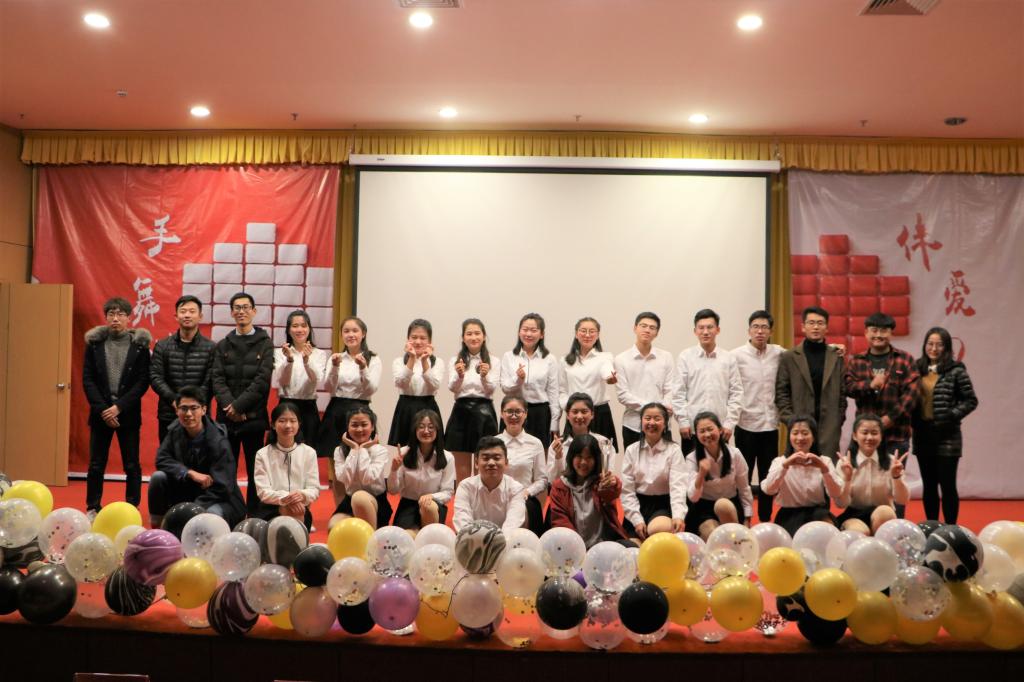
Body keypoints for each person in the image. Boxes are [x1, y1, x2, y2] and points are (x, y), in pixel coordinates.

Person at [844, 312, 919, 518]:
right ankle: (863, 523)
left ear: (891, 333)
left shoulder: (905, 360)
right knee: (864, 485)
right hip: (865, 439)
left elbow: (911, 396)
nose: (879, 335)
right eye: (874, 330)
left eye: (884, 330)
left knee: (895, 483)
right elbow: (848, 387)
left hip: (896, 435)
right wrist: (870, 385)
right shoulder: (857, 360)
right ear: (866, 333)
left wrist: (888, 419)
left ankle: (896, 527)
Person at [82, 297, 151, 516]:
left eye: (120, 314)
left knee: (131, 464)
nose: (115, 318)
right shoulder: (94, 345)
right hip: (100, 414)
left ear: (129, 318)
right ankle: (93, 507)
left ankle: (132, 506)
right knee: (96, 464)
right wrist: (104, 409)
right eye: (111, 314)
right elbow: (88, 379)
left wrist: (119, 407)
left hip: (127, 414)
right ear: (106, 317)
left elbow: (142, 381)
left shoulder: (139, 347)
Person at [148, 386, 246, 528]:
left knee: (211, 515)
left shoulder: (219, 440)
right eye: (183, 408)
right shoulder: (175, 431)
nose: (188, 414)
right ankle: (158, 528)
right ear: (177, 410)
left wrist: (190, 510)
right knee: (158, 477)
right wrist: (189, 473)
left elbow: (223, 487)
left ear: (204, 410)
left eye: (194, 408)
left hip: (218, 498)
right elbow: (161, 459)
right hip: (188, 490)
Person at [211, 291, 274, 512]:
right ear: (232, 313)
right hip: (226, 419)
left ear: (254, 311)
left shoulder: (265, 344)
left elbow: (262, 381)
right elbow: (217, 378)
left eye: (246, 307)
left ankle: (254, 514)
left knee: (255, 470)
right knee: (225, 470)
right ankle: (229, 512)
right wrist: (230, 406)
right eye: (237, 308)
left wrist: (239, 407)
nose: (241, 311)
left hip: (253, 419)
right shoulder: (223, 344)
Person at [912, 327, 978, 523]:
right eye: (930, 344)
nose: (934, 348)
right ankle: (932, 526)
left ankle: (951, 529)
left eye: (939, 344)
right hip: (923, 434)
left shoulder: (956, 370)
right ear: (924, 345)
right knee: (929, 486)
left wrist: (951, 415)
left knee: (948, 486)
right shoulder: (916, 369)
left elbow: (970, 400)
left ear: (947, 347)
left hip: (948, 436)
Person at [319, 316, 381, 505]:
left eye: (355, 331)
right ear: (342, 335)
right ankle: (340, 508)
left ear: (363, 334)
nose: (351, 335)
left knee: (363, 461)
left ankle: (362, 505)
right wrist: (334, 367)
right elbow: (328, 387)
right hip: (337, 410)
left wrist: (363, 368)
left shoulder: (373, 359)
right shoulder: (336, 358)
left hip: (360, 411)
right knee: (338, 464)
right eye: (346, 331)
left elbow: (371, 389)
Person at [731, 310, 784, 523]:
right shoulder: (736, 356)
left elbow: (802, 354)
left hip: (770, 425)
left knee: (767, 476)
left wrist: (831, 347)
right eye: (756, 327)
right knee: (742, 476)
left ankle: (764, 519)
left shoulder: (779, 353)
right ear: (749, 330)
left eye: (764, 327)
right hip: (745, 424)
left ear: (771, 332)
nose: (760, 331)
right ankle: (743, 518)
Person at [776, 306, 847, 461]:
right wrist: (791, 420)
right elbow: (781, 392)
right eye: (811, 323)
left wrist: (838, 418)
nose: (816, 327)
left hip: (829, 427)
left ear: (827, 328)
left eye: (820, 323)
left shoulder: (836, 356)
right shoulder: (789, 357)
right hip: (800, 427)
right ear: (803, 327)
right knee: (799, 468)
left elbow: (843, 392)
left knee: (828, 469)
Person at [672, 308, 743, 454]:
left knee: (719, 467)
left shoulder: (728, 358)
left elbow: (736, 393)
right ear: (695, 331)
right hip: (691, 429)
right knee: (691, 467)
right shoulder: (686, 357)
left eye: (710, 327)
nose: (705, 332)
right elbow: (678, 392)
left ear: (718, 330)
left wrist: (730, 423)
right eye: (701, 328)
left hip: (720, 429)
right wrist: (683, 421)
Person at [761, 415, 843, 536]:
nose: (800, 438)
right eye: (795, 433)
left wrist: (824, 469)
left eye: (805, 433)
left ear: (813, 437)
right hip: (789, 514)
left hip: (817, 512)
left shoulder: (825, 461)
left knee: (827, 531)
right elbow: (769, 490)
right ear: (789, 437)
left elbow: (836, 493)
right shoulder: (780, 462)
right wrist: (785, 465)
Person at [150, 295, 215, 442]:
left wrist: (193, 405)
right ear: (176, 316)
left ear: (200, 316)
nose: (187, 315)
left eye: (192, 311)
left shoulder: (211, 348)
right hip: (169, 413)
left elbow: (211, 380)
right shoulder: (162, 345)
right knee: (169, 454)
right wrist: (175, 401)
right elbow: (155, 376)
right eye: (183, 311)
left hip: (199, 416)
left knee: (199, 455)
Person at [620, 402, 689, 540]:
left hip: (663, 505)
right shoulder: (631, 450)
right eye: (647, 418)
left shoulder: (674, 450)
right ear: (641, 422)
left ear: (665, 424)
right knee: (631, 547)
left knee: (657, 530)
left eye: (657, 419)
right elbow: (627, 490)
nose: (652, 422)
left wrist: (678, 516)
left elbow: (678, 487)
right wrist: (637, 520)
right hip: (638, 506)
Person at [548, 434, 630, 548]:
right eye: (579, 456)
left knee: (631, 547)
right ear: (571, 457)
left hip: (603, 544)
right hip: (572, 546)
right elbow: (560, 521)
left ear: (596, 460)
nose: (583, 462)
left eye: (589, 457)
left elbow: (612, 493)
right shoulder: (559, 487)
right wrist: (577, 547)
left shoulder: (601, 482)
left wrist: (613, 483)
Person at [835, 413, 910, 535]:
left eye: (874, 433)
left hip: (883, 514)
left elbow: (902, 500)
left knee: (884, 512)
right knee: (859, 532)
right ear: (854, 436)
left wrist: (896, 477)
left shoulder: (892, 462)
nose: (869, 437)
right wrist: (847, 479)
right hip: (854, 515)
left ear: (881, 436)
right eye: (864, 432)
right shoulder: (844, 463)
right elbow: (840, 504)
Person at [445, 318, 499, 484]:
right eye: (469, 334)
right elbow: (452, 388)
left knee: (483, 462)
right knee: (461, 465)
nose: (473, 337)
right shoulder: (455, 360)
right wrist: (460, 375)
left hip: (484, 412)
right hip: (461, 411)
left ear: (484, 336)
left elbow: (491, 389)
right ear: (463, 338)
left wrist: (484, 376)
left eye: (477, 333)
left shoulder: (493, 360)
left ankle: (482, 498)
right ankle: (463, 498)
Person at [684, 411, 754, 538]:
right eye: (702, 431)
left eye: (710, 429)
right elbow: (693, 497)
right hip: (704, 508)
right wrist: (701, 474)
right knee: (712, 534)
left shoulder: (735, 454)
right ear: (697, 435)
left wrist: (747, 518)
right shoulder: (692, 458)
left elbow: (744, 487)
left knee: (722, 505)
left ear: (720, 430)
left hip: (729, 505)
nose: (707, 434)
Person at [613, 312, 676, 450]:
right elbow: (623, 395)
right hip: (633, 425)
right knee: (633, 462)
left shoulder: (666, 357)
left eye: (652, 328)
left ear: (657, 333)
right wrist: (655, 410)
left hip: (662, 425)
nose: (647, 330)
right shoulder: (621, 359)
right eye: (643, 326)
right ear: (635, 328)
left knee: (665, 461)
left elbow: (670, 388)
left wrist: (661, 412)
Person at [252, 401, 319, 529]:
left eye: (293, 421)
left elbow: (314, 489)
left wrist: (302, 495)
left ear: (299, 424)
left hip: (300, 507)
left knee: (295, 510)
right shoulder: (262, 454)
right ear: (273, 424)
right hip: (270, 508)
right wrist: (286, 498)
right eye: (282, 421)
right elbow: (263, 492)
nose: (288, 425)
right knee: (291, 509)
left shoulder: (309, 452)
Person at [387, 409, 455, 531]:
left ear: (437, 430)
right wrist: (393, 470)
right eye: (421, 427)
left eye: (431, 427)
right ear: (415, 430)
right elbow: (393, 490)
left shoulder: (447, 457)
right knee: (409, 536)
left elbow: (448, 492)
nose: (426, 431)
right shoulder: (403, 453)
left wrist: (432, 496)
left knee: (428, 507)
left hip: (433, 505)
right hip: (408, 505)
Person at [500, 313, 560, 449]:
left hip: (540, 412)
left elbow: (553, 392)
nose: (528, 334)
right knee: (509, 451)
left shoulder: (549, 359)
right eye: (525, 329)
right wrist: (518, 380)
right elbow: (504, 388)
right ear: (519, 332)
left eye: (533, 330)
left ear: (542, 334)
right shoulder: (509, 356)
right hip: (514, 411)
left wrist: (555, 423)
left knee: (540, 452)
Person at [271, 310, 328, 450]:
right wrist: (289, 360)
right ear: (288, 330)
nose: (300, 329)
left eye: (303, 325)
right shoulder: (280, 353)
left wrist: (307, 361)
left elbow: (316, 378)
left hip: (308, 408)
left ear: (309, 329)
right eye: (295, 326)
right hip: (286, 405)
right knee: (283, 450)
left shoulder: (319, 353)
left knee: (309, 451)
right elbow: (283, 381)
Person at [558, 317, 618, 449]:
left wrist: (610, 378)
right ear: (576, 334)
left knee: (603, 454)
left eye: (592, 331)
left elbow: (607, 372)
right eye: (583, 331)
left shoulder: (605, 357)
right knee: (573, 453)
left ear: (598, 335)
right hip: (575, 415)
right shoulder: (565, 360)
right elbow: (562, 390)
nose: (587, 335)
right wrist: (569, 408)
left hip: (599, 413)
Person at [330, 406, 392, 530]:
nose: (359, 429)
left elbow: (367, 478)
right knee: (334, 527)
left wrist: (362, 450)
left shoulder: (380, 451)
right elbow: (343, 478)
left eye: (364, 425)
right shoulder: (339, 451)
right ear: (348, 427)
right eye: (354, 425)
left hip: (375, 501)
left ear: (372, 427)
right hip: (350, 500)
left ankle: (371, 539)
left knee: (360, 498)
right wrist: (354, 450)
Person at [452, 436, 527, 533]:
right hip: (472, 539)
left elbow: (512, 525)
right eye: (486, 458)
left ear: (506, 463)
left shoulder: (516, 489)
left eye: (497, 458)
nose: (491, 463)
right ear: (476, 463)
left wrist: (496, 540)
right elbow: (463, 523)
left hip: (505, 540)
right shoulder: (465, 487)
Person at [496, 395, 549, 534]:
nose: (513, 416)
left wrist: (527, 492)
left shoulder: (535, 443)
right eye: (509, 411)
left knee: (522, 512)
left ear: (525, 414)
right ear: (502, 414)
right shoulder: (494, 443)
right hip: (497, 498)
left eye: (518, 411)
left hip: (526, 499)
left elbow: (542, 480)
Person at [389, 318, 445, 448]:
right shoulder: (398, 361)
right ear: (408, 339)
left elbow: (434, 385)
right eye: (414, 337)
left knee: (431, 449)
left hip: (429, 406)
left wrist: (425, 361)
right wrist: (412, 358)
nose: (418, 342)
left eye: (423, 338)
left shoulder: (437, 362)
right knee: (405, 449)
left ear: (429, 341)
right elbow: (401, 383)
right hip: (405, 408)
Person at [547, 392, 616, 484]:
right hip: (566, 492)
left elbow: (608, 477)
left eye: (584, 412)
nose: (579, 416)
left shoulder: (604, 443)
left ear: (592, 414)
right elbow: (552, 481)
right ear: (567, 415)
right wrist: (558, 457)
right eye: (575, 412)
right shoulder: (557, 445)